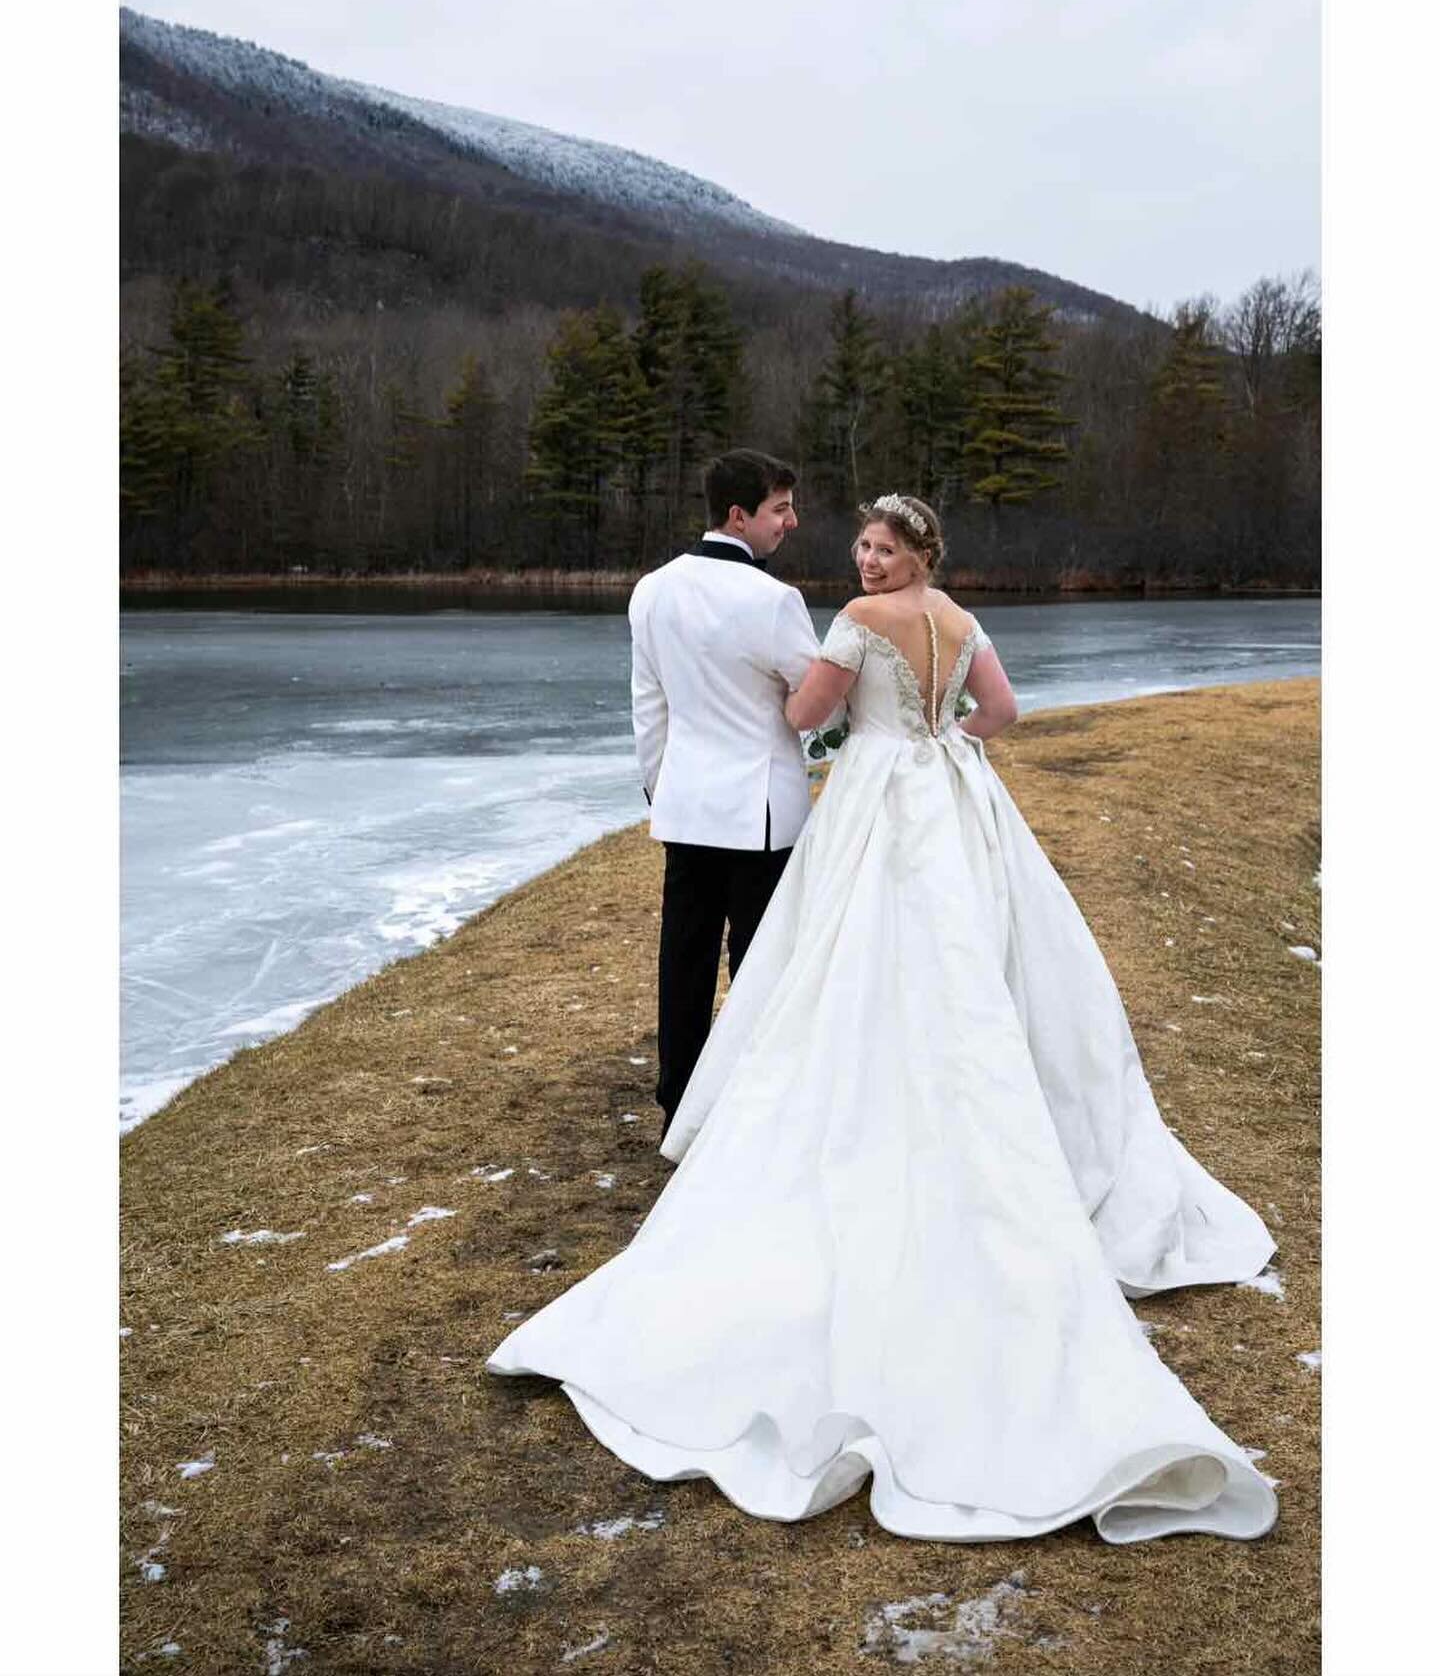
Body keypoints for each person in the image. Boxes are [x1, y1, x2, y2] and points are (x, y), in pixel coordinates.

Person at [488, 494, 1279, 1544]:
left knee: (852, 963)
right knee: (973, 961)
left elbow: (804, 716)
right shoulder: (959, 619)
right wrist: (942, 735)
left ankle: (869, 1107)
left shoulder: (860, 626)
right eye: (860, 545)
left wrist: (788, 704)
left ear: (916, 553)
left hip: (872, 800)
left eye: (883, 547)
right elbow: (1002, 715)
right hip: (952, 794)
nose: (865, 559)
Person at [625, 447, 823, 1134]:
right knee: (760, 963)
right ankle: (755, 1105)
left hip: (686, 804)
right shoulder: (775, 602)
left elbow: (649, 707)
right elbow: (815, 701)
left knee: (683, 959)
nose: (790, 522)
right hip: (762, 811)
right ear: (738, 515)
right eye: (779, 509)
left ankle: (679, 1102)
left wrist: (661, 786)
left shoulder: (652, 589)